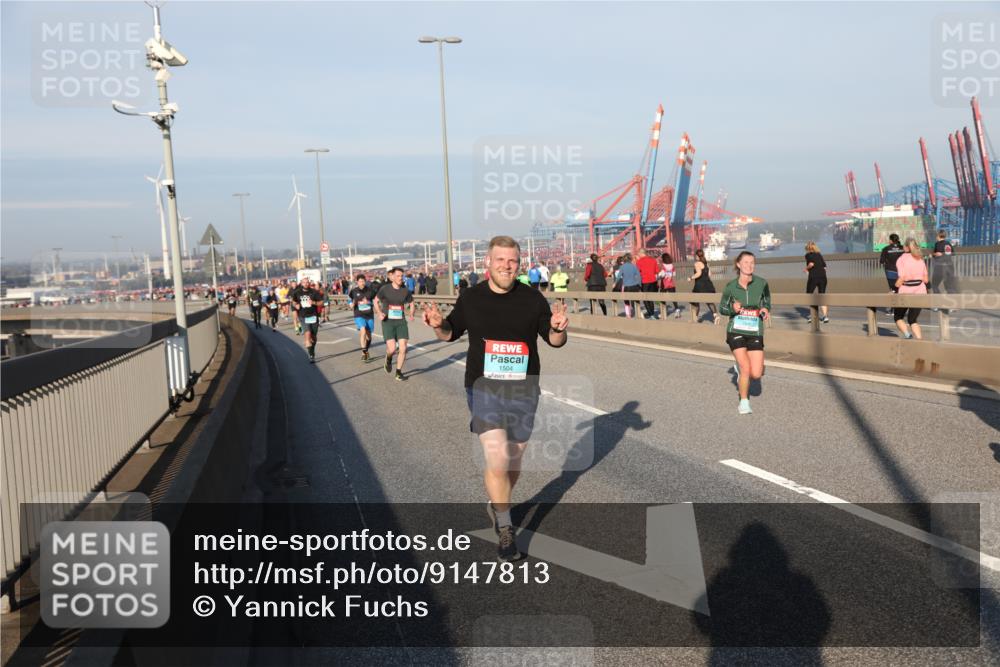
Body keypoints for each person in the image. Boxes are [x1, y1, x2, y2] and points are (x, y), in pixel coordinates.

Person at [421, 235, 569, 561]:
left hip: (523, 390)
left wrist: (558, 329)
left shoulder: (532, 299)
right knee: (498, 456)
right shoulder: (471, 297)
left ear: (519, 264)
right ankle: (505, 527)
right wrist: (437, 325)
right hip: (483, 388)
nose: (506, 266)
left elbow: (553, 340)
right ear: (487, 262)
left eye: (512, 261)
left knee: (513, 460)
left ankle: (497, 503)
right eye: (500, 259)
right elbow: (450, 332)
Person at [719, 251, 771, 415]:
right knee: (746, 369)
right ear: (738, 264)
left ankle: (741, 369)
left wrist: (765, 309)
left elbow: (767, 301)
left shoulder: (762, 283)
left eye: (752, 262)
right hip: (736, 330)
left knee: (756, 373)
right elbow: (722, 308)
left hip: (754, 330)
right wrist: (732, 308)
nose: (749, 265)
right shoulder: (731, 286)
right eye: (746, 262)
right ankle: (744, 402)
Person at [375, 267, 415, 381]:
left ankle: (398, 372)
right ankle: (388, 358)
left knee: (403, 348)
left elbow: (411, 302)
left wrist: (411, 314)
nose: (400, 278)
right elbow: (375, 301)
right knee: (392, 349)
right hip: (388, 321)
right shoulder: (385, 289)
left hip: (401, 321)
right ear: (392, 277)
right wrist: (379, 312)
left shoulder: (405, 290)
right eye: (398, 276)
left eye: (401, 276)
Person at [894, 238, 928, 340]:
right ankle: (919, 341)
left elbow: (902, 277)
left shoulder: (901, 259)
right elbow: (926, 280)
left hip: (905, 293)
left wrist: (894, 288)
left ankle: (908, 335)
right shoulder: (920, 259)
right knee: (913, 320)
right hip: (920, 292)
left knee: (898, 317)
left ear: (906, 247)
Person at [291, 277, 324, 362]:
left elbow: (321, 302)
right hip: (303, 316)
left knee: (314, 337)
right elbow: (293, 301)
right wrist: (296, 305)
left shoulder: (314, 292)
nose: (306, 284)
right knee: (308, 333)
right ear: (301, 283)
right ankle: (311, 355)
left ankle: (312, 350)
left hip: (313, 316)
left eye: (307, 282)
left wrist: (314, 302)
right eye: (304, 282)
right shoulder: (297, 292)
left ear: (309, 283)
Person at [348, 274, 376, 362]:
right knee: (362, 330)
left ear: (365, 281)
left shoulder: (370, 291)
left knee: (369, 336)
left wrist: (368, 302)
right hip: (359, 314)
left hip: (369, 315)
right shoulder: (354, 291)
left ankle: (366, 350)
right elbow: (349, 299)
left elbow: (375, 302)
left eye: (363, 281)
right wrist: (351, 304)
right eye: (360, 281)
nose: (362, 283)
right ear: (357, 282)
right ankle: (364, 352)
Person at [688, 248, 720, 324]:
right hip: (708, 284)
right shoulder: (706, 264)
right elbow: (709, 274)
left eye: (695, 255)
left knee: (695, 301)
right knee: (709, 301)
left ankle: (695, 318)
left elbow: (698, 273)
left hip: (699, 285)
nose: (695, 257)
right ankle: (716, 316)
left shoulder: (697, 264)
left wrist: (691, 278)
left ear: (697, 256)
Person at [930, 230, 959, 309]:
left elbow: (935, 254)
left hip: (940, 267)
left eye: (936, 236)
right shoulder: (948, 243)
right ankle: (953, 306)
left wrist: (934, 254)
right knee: (949, 286)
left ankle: (938, 304)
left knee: (934, 285)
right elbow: (952, 254)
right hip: (949, 267)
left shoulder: (937, 244)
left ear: (938, 236)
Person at [803, 241, 829, 324]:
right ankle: (825, 316)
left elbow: (811, 264)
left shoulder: (808, 255)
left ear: (807, 248)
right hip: (823, 277)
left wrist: (806, 269)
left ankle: (813, 315)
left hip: (813, 277)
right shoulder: (819, 254)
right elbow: (825, 267)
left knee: (809, 295)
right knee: (822, 296)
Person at [635, 248, 660, 319]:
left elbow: (637, 273)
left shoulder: (639, 261)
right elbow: (657, 271)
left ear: (641, 253)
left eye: (638, 253)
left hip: (644, 282)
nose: (638, 255)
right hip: (653, 281)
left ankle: (650, 314)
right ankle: (652, 313)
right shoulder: (653, 260)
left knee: (645, 298)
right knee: (651, 298)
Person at [657, 252, 681, 318]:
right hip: (671, 284)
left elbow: (661, 275)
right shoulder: (672, 266)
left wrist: (658, 277)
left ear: (663, 259)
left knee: (662, 299)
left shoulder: (662, 266)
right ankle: (677, 311)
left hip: (664, 284)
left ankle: (663, 313)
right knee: (673, 298)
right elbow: (674, 274)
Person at [618, 253, 642, 317]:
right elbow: (639, 276)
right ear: (631, 259)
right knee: (636, 301)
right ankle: (639, 314)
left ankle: (628, 315)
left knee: (626, 302)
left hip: (627, 286)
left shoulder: (622, 267)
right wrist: (639, 285)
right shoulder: (634, 266)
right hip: (635, 286)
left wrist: (615, 283)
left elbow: (618, 277)